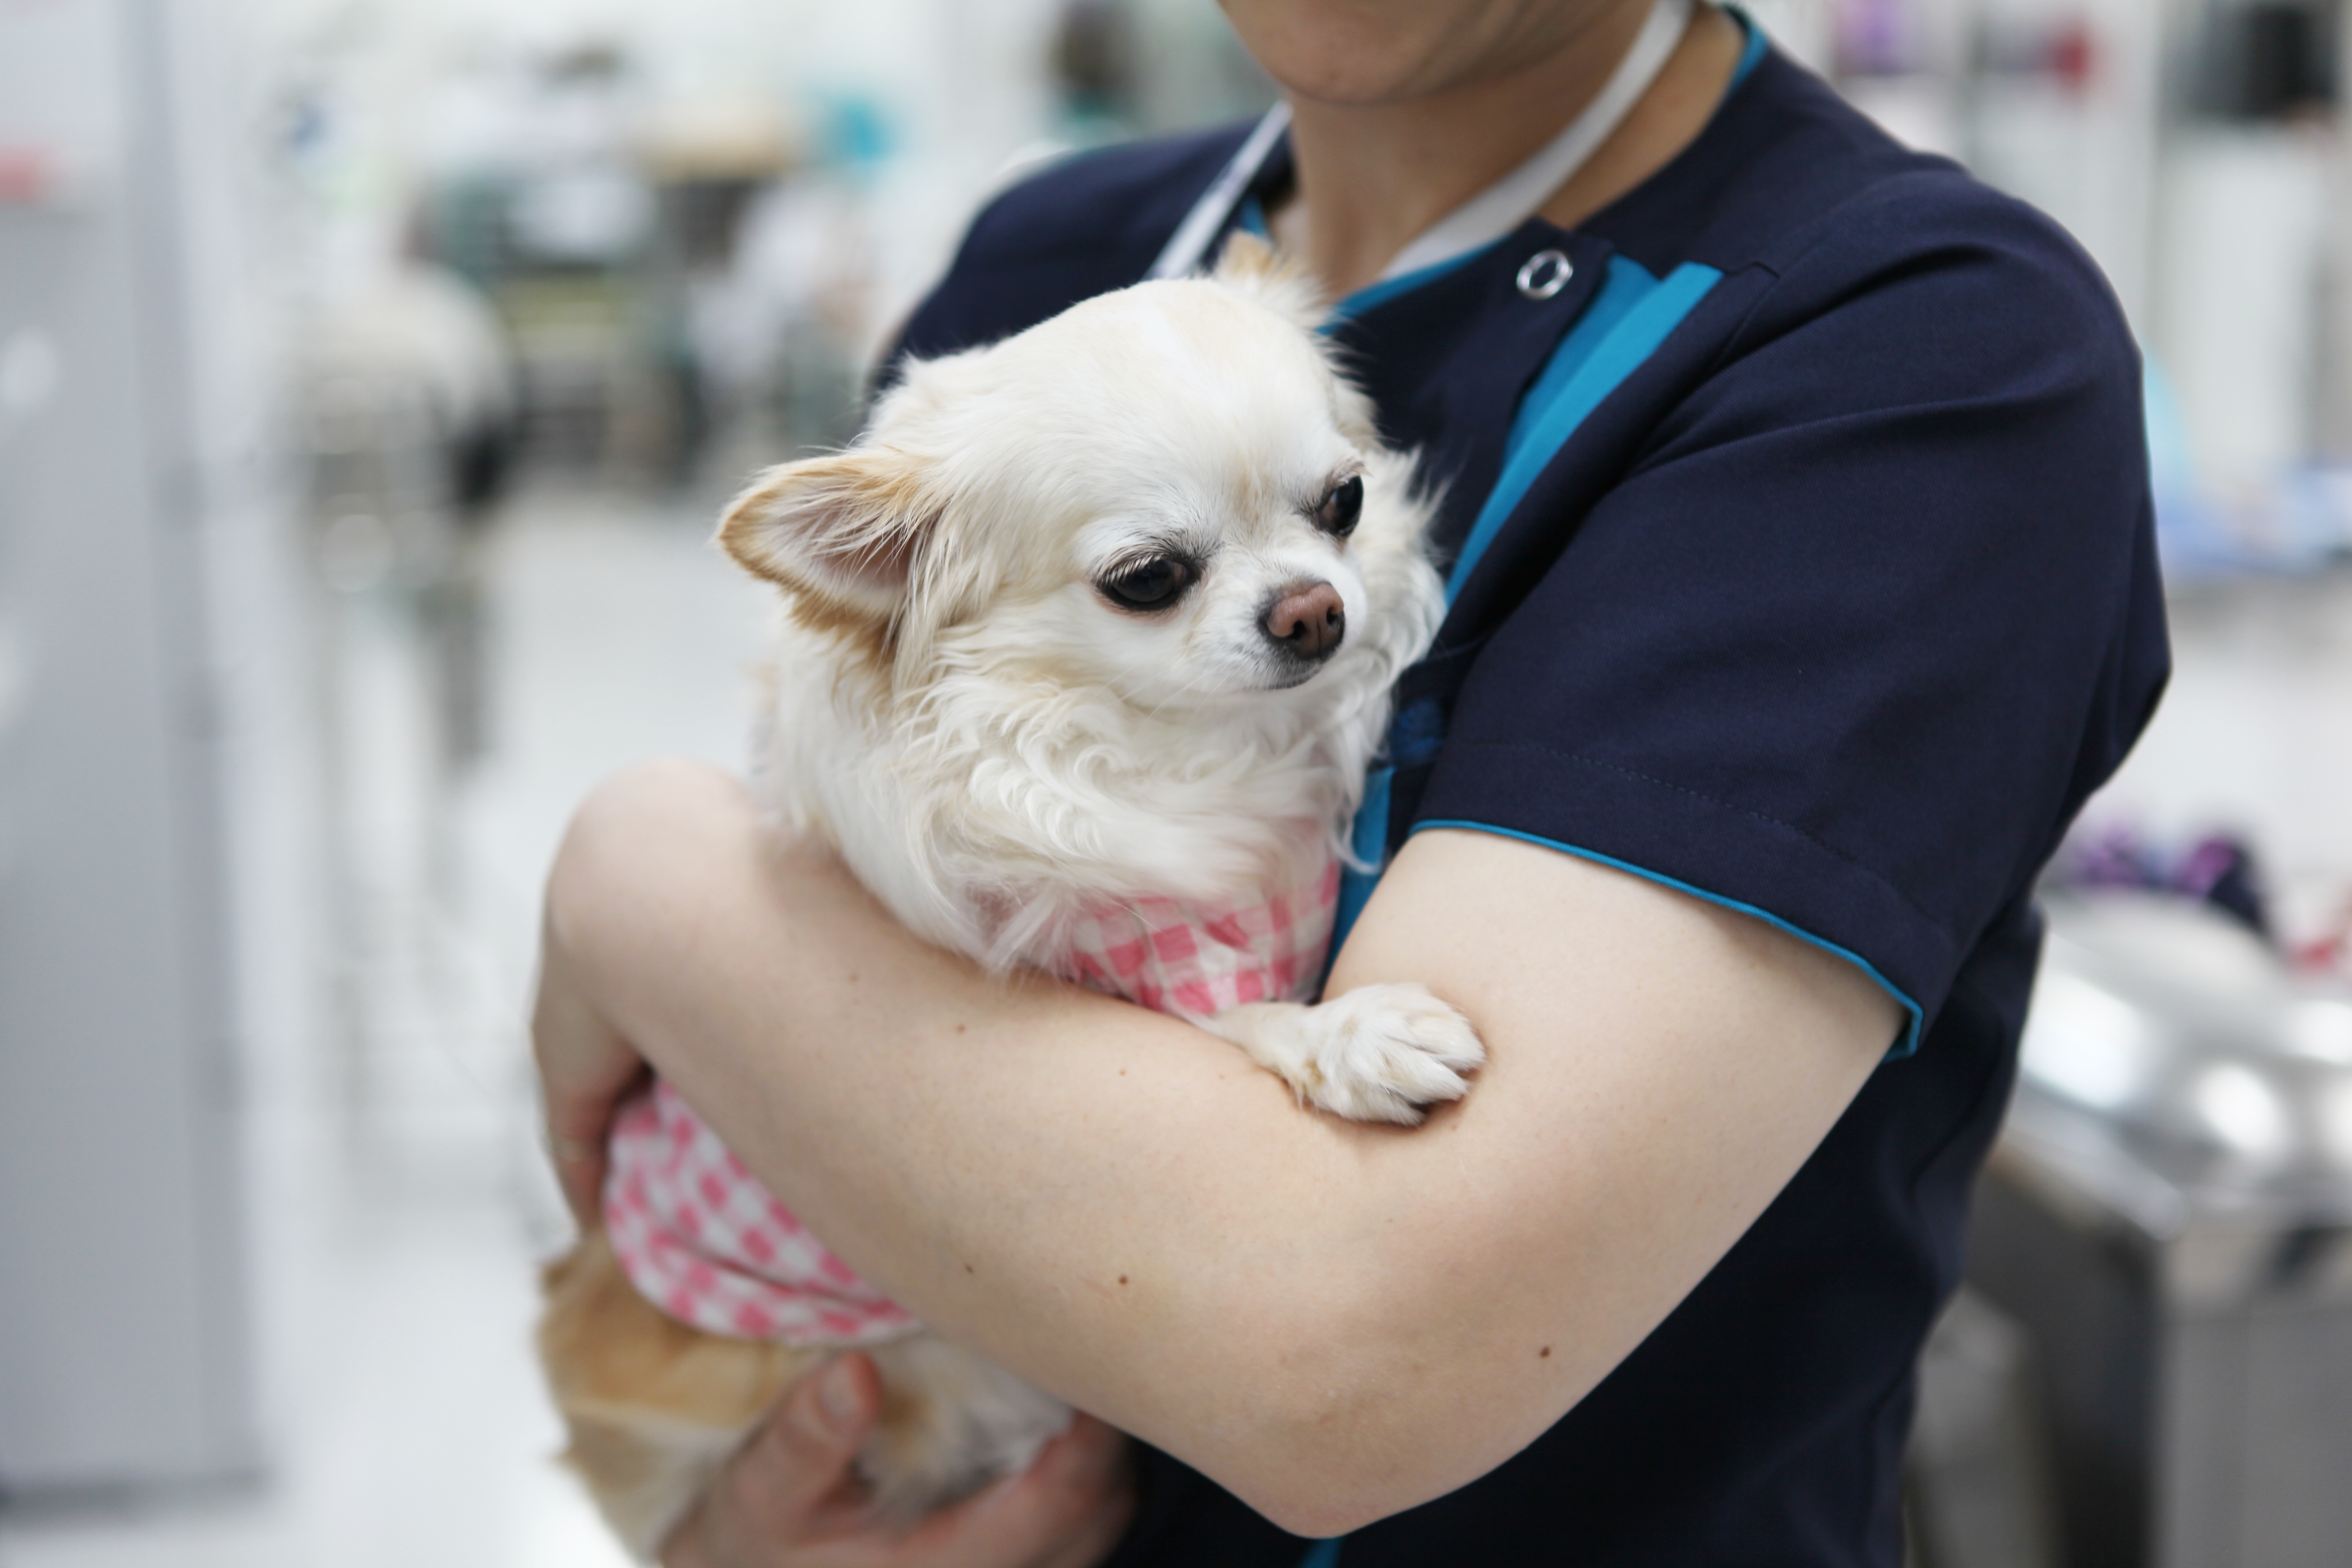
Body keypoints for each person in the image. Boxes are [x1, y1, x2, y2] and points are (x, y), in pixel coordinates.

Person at [533, 1, 2169, 1563]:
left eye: (1330, 508)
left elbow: (1347, 1350)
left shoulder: (1916, 351)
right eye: (1151, 575)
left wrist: (642, 885)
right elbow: (829, 949)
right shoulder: (1053, 255)